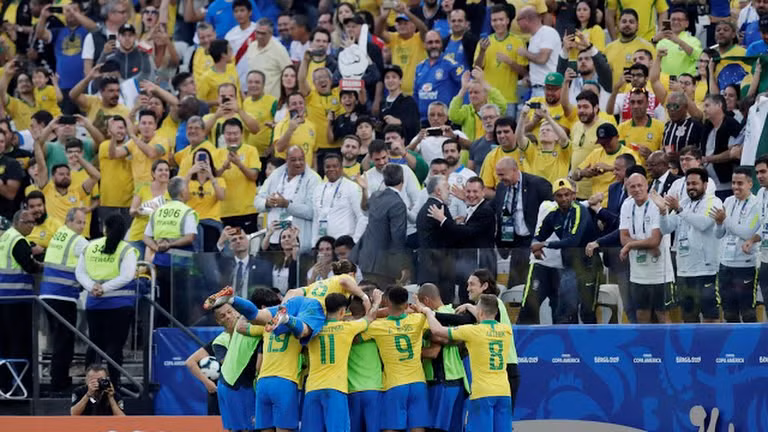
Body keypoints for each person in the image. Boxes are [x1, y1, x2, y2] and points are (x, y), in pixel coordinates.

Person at [422, 294, 513, 432]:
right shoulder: (506, 330)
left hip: (482, 394)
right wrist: (470, 306)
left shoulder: (473, 331)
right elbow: (484, 316)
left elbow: (437, 330)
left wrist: (428, 312)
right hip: (504, 393)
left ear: (480, 312)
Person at [302, 290, 383, 432]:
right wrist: (376, 302)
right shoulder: (347, 328)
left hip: (312, 388)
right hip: (336, 390)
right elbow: (370, 318)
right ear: (342, 311)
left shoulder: (313, 329)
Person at [76, 214, 138, 387]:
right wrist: (106, 288)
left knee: (94, 344)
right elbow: (127, 276)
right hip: (120, 304)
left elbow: (80, 273)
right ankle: (114, 384)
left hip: (95, 303)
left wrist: (92, 287)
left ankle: (90, 384)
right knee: (115, 346)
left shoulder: (90, 246)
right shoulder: (126, 249)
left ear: (104, 228)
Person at [658, 168, 722, 323]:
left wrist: (679, 209)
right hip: (684, 270)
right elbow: (666, 228)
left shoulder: (714, 201)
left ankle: (712, 347)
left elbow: (704, 224)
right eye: (688, 184)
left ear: (705, 185)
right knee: (688, 316)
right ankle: (694, 348)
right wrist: (662, 212)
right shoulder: (684, 203)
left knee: (710, 316)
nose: (691, 187)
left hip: (706, 270)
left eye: (695, 183)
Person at [531, 179, 600, 324]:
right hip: (569, 267)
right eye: (559, 195)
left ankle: (592, 345)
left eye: (567, 194)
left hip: (588, 266)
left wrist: (544, 244)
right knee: (566, 310)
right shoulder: (554, 214)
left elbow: (573, 241)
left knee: (587, 311)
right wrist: (535, 245)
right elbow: (538, 235)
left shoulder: (580, 210)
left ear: (573, 195)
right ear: (554, 197)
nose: (564, 199)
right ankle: (569, 345)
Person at [362, 285, 429, 431]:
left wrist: (376, 303)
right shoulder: (418, 320)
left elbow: (363, 323)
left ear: (387, 302)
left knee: (391, 428)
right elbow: (431, 317)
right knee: (418, 428)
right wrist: (419, 306)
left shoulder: (378, 326)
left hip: (395, 384)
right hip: (418, 383)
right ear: (406, 304)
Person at [491, 157, 552, 306]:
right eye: (498, 174)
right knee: (515, 288)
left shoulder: (538, 184)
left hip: (534, 241)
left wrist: (541, 240)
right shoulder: (501, 187)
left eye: (502, 174)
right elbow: (494, 210)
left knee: (533, 288)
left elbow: (552, 212)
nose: (499, 179)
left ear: (514, 170)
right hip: (515, 243)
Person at [39, 207, 89, 392]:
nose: (82, 226)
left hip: (48, 294)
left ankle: (59, 379)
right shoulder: (78, 241)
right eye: (78, 222)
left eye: (84, 222)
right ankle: (59, 383)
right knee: (64, 341)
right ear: (68, 221)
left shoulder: (59, 234)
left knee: (60, 339)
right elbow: (95, 258)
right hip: (62, 295)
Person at [619, 172, 674, 324]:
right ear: (628, 188)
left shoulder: (657, 204)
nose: (636, 189)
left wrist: (631, 244)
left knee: (662, 314)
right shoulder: (626, 204)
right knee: (641, 314)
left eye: (640, 185)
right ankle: (645, 348)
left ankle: (667, 348)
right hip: (638, 273)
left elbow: (655, 240)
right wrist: (645, 245)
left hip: (660, 272)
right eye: (632, 186)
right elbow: (623, 237)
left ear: (647, 186)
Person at [415, 283, 467, 432]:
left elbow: (434, 352)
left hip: (442, 380)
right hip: (457, 380)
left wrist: (408, 352)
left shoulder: (437, 316)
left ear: (426, 301)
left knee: (437, 429)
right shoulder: (451, 311)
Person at [0, 210, 43, 392]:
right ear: (19, 222)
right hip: (17, 300)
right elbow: (29, 265)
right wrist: (43, 267)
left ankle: (5, 386)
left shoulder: (4, 238)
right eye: (29, 223)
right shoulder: (18, 240)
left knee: (4, 346)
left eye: (34, 223)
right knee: (22, 345)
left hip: (3, 299)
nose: (32, 226)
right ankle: (24, 388)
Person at [712, 166, 760, 323]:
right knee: (729, 313)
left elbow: (747, 233)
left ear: (750, 184)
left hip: (745, 266)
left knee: (748, 313)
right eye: (733, 183)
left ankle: (752, 347)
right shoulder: (728, 201)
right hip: (725, 264)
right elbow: (719, 234)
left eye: (740, 183)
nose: (735, 187)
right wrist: (719, 224)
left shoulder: (756, 204)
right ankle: (734, 347)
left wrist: (725, 219)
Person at [254, 146, 321, 252]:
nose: (298, 163)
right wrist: (267, 203)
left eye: (301, 159)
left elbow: (312, 212)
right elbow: (257, 202)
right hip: (274, 240)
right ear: (287, 160)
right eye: (293, 160)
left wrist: (286, 204)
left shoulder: (314, 179)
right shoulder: (276, 174)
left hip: (298, 242)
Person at [352, 163, 408, 286]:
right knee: (383, 299)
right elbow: (397, 237)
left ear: (384, 179)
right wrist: (402, 265)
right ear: (402, 180)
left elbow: (364, 207)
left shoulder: (376, 195)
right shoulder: (398, 204)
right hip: (384, 265)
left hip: (366, 258)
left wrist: (365, 190)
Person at [473, 4, 527, 116]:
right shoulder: (484, 42)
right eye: (494, 20)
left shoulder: (518, 41)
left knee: (506, 131)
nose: (498, 23)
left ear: (507, 20)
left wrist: (510, 62)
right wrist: (482, 51)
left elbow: (524, 73)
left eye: (501, 19)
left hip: (509, 99)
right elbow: (476, 69)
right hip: (487, 99)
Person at [185, 303, 238, 416]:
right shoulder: (219, 341)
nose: (228, 316)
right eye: (223, 316)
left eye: (230, 312)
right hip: (221, 395)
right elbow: (190, 362)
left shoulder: (250, 334)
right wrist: (207, 382)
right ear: (218, 321)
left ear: (237, 312)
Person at [572, 123, 638, 206]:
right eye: (602, 143)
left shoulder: (628, 154)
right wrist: (583, 173)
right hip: (595, 204)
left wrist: (610, 168)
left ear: (617, 137)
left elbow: (636, 176)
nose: (605, 145)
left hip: (616, 205)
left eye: (608, 142)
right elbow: (574, 176)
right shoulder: (596, 153)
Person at [566, 91, 616, 201]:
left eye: (585, 107)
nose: (581, 111)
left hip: (598, 193)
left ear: (596, 108)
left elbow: (615, 154)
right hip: (576, 190)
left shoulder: (605, 128)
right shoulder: (576, 126)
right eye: (579, 107)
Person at [297, 50, 343, 169]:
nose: (322, 80)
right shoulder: (311, 96)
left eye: (324, 77)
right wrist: (306, 61)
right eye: (318, 78)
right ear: (313, 83)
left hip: (339, 147)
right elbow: (301, 80)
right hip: (319, 149)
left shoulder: (339, 93)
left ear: (331, 80)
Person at [216, 118, 261, 234]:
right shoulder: (217, 153)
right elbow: (213, 177)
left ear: (241, 134)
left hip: (247, 210)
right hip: (224, 211)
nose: (232, 137)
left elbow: (254, 176)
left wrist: (238, 163)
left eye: (235, 133)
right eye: (228, 134)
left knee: (248, 248)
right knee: (227, 250)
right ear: (223, 135)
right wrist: (223, 167)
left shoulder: (251, 150)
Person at [417, 175, 457, 303]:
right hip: (440, 271)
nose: (450, 191)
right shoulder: (439, 208)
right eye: (447, 188)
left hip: (428, 268)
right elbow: (452, 235)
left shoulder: (425, 208)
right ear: (438, 191)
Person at [311, 153, 367, 244]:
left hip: (345, 243)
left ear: (341, 168)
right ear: (324, 169)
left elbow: (362, 217)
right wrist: (314, 243)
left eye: (335, 166)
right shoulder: (318, 189)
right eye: (328, 167)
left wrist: (355, 241)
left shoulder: (352, 187)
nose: (331, 169)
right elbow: (315, 219)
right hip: (324, 245)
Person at [375, 3, 428, 96]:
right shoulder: (394, 38)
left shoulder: (419, 38)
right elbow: (378, 32)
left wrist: (406, 12)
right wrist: (384, 16)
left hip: (417, 92)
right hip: (397, 93)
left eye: (405, 23)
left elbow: (424, 29)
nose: (402, 26)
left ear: (413, 26)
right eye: (399, 23)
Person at [414, 31, 463, 122]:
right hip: (423, 121)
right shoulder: (419, 67)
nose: (434, 46)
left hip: (445, 121)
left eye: (437, 42)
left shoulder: (451, 65)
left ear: (441, 44)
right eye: (430, 42)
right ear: (424, 45)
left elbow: (464, 86)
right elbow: (416, 95)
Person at [516, 104, 572, 185]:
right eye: (541, 130)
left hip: (556, 194)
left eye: (548, 130)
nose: (544, 131)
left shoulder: (563, 153)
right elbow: (519, 138)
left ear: (556, 137)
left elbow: (564, 138)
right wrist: (522, 116)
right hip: (537, 194)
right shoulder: (533, 152)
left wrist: (548, 117)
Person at [701, 94, 743, 200]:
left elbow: (734, 152)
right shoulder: (707, 126)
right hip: (709, 184)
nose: (704, 110)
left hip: (727, 183)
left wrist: (708, 159)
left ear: (719, 105)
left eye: (707, 106)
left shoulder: (731, 124)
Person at [449, 68, 506, 143]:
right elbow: (453, 115)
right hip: (470, 151)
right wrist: (463, 89)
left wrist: (483, 82)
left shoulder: (493, 108)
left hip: (492, 148)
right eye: (470, 93)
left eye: (476, 92)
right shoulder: (466, 110)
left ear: (485, 94)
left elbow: (503, 104)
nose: (472, 95)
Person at [603, 9, 657, 89]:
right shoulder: (608, 48)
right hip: (614, 95)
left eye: (631, 22)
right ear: (618, 24)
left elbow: (655, 72)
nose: (627, 24)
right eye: (624, 21)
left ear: (637, 26)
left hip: (638, 96)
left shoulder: (647, 47)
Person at [127, 159, 169, 258]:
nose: (164, 173)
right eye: (160, 170)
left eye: (166, 170)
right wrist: (140, 211)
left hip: (160, 239)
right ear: (153, 174)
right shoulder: (143, 188)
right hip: (139, 235)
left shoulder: (171, 191)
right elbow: (132, 211)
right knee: (137, 269)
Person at [516, 6, 561, 99]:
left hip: (548, 89)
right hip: (536, 89)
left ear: (526, 20)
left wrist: (525, 53)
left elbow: (542, 59)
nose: (517, 24)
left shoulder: (547, 32)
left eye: (518, 20)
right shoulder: (533, 37)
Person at [272, 93, 318, 166]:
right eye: (294, 104)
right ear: (288, 107)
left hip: (306, 172)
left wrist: (315, 171)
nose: (298, 106)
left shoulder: (311, 126)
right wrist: (290, 130)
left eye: (301, 103)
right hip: (287, 171)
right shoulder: (281, 125)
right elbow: (279, 148)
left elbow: (313, 152)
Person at [379, 64, 421, 144]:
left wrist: (399, 122)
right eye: (387, 77)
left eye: (394, 77)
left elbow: (414, 125)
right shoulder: (382, 103)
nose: (390, 80)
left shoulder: (408, 101)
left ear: (400, 81)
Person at [654, 8, 702, 76]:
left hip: (685, 83)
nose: (676, 22)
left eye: (679, 20)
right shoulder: (661, 41)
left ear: (687, 23)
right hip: (664, 82)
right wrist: (654, 40)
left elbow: (698, 56)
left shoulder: (694, 40)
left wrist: (679, 42)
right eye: (673, 19)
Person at [225, 0, 259, 87]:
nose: (239, 14)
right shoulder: (230, 35)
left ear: (250, 12)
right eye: (236, 11)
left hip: (257, 77)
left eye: (242, 10)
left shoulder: (258, 31)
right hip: (237, 79)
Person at [469, 104, 500, 172]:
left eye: (491, 117)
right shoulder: (475, 145)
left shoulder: (505, 143)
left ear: (498, 118)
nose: (488, 121)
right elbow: (470, 172)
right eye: (485, 118)